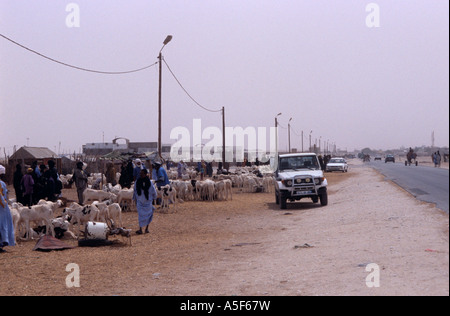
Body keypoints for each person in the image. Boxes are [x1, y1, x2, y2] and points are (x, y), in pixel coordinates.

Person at [133, 168, 157, 235]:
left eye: (142, 174)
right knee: (141, 215)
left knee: (148, 215)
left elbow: (153, 191)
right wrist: (134, 199)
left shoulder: (149, 182)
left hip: (147, 201)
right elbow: (135, 191)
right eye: (140, 174)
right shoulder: (137, 182)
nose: (141, 175)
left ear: (146, 174)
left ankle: (146, 228)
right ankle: (140, 229)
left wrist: (154, 197)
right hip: (140, 201)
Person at [0, 165, 15, 253]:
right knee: (2, 225)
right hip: (2, 208)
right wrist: (4, 203)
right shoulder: (1, 183)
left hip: (2, 208)